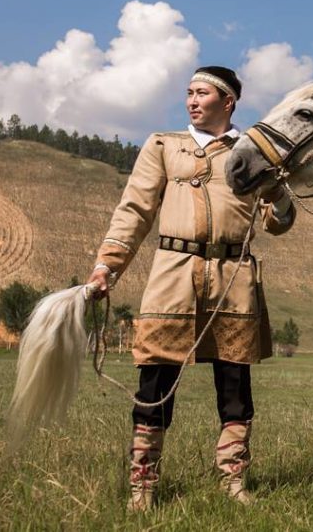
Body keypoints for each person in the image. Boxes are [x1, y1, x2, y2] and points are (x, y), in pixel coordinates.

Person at [85, 66, 294, 511]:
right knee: (154, 380)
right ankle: (143, 485)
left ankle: (234, 482)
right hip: (173, 274)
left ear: (228, 102)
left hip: (233, 277)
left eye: (202, 93)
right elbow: (135, 210)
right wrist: (108, 266)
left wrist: (276, 191)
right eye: (189, 93)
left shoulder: (249, 152)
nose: (192, 101)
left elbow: (279, 223)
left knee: (235, 384)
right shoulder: (164, 146)